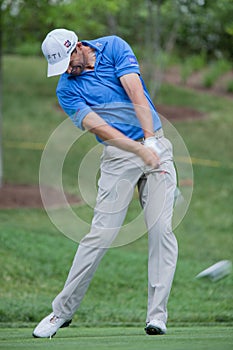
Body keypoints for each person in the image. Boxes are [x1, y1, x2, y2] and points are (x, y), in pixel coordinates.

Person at [33, 28, 178, 338]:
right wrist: (139, 149)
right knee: (99, 235)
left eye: (67, 63)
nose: (67, 72)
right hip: (118, 157)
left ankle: (157, 316)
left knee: (160, 230)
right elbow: (98, 126)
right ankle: (61, 312)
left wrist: (151, 141)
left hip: (156, 145)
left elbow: (135, 91)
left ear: (78, 47)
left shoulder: (113, 47)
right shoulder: (66, 90)